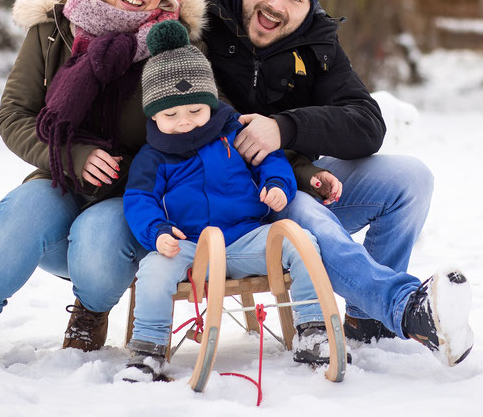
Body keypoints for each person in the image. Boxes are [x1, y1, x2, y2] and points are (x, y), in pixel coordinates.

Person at [0, 0, 207, 359]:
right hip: (60, 176)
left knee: (99, 241)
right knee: (22, 210)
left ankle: (90, 313)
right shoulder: (53, 27)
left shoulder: (175, 46)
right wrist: (73, 154)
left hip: (130, 193)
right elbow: (14, 115)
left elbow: (198, 127)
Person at [199, 0, 474, 365]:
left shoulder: (316, 44)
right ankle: (406, 309)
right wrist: (301, 172)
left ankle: (368, 321)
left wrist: (286, 127)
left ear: (309, 8)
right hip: (222, 203)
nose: (276, 3)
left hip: (290, 180)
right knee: (310, 218)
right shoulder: (200, 22)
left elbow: (367, 124)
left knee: (411, 178)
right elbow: (205, 118)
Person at [119, 20, 333, 381]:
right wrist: (156, 232)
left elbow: (271, 159)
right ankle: (148, 350)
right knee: (153, 271)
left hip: (246, 238)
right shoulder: (153, 156)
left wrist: (278, 185)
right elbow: (139, 199)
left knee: (303, 243)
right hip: (189, 247)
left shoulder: (233, 133)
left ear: (210, 103)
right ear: (154, 114)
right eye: (171, 115)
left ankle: (312, 329)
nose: (184, 122)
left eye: (195, 111)